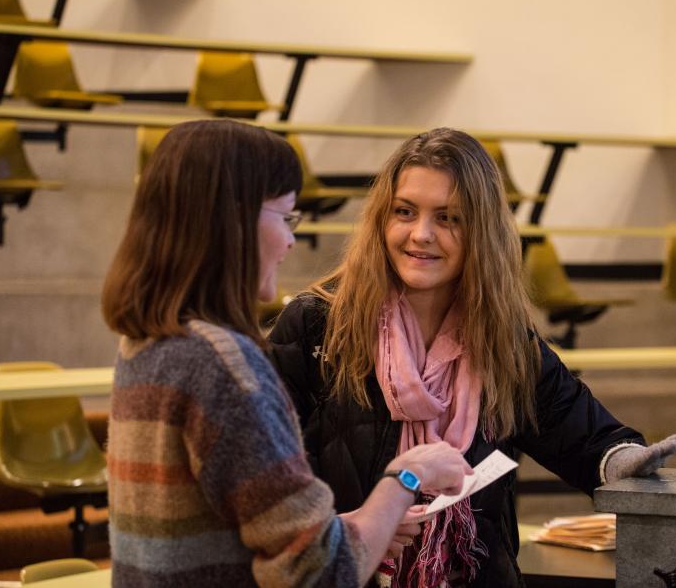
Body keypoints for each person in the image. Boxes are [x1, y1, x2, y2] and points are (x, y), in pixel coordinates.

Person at [268, 127, 676, 588]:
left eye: (449, 218)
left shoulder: (503, 337)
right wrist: (351, 528)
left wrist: (623, 462)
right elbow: (271, 485)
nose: (420, 235)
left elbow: (586, 438)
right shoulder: (316, 323)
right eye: (404, 212)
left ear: (480, 231)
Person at [101, 119, 472, 588]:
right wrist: (407, 476)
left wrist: (344, 528)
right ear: (232, 223)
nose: (291, 241)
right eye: (285, 217)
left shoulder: (146, 345)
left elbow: (240, 534)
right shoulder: (220, 365)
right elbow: (317, 574)